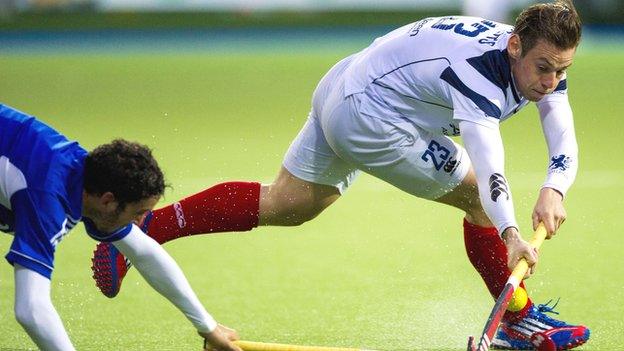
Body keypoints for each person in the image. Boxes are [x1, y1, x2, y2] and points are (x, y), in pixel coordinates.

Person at [92, 1, 590, 349]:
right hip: (372, 117)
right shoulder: (482, 73)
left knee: (288, 204)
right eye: (543, 68)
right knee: (478, 196)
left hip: (349, 80)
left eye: (561, 71)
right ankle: (518, 321)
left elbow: (561, 129)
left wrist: (554, 187)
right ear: (515, 45)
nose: (549, 83)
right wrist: (508, 233)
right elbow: (489, 164)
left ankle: (142, 232)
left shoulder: (538, 60)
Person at [0, 104, 241, 351]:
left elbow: (144, 252)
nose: (139, 223)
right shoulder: (47, 199)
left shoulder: (84, 175)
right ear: (108, 200)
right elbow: (31, 308)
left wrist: (207, 326)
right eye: (137, 213)